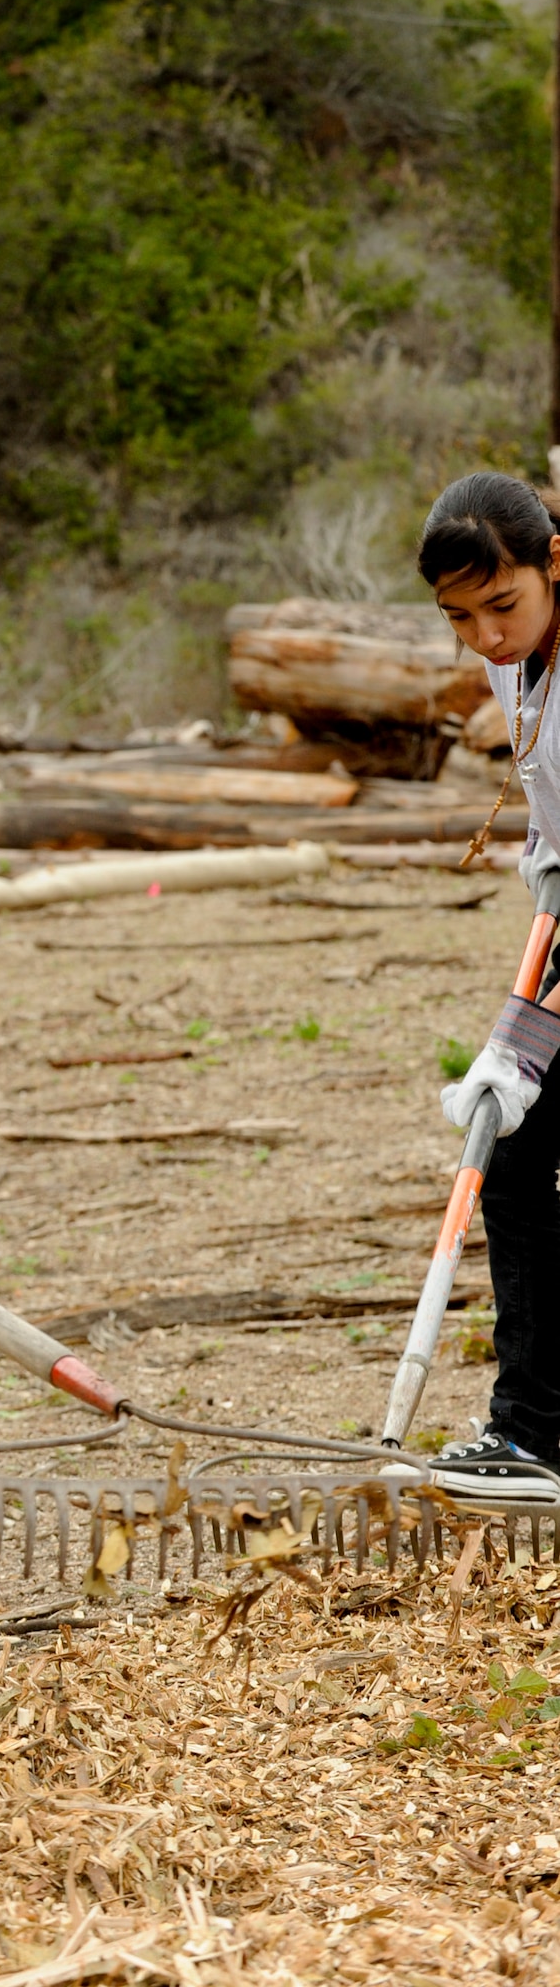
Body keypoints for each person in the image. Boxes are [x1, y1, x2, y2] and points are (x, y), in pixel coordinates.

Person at [417, 471, 560, 1503]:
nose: (484, 635)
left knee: (521, 1129)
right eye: (460, 617)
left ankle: (531, 1426)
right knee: (515, 1148)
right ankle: (530, 1430)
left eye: (500, 605)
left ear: (554, 562)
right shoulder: (519, 671)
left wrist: (537, 1032)